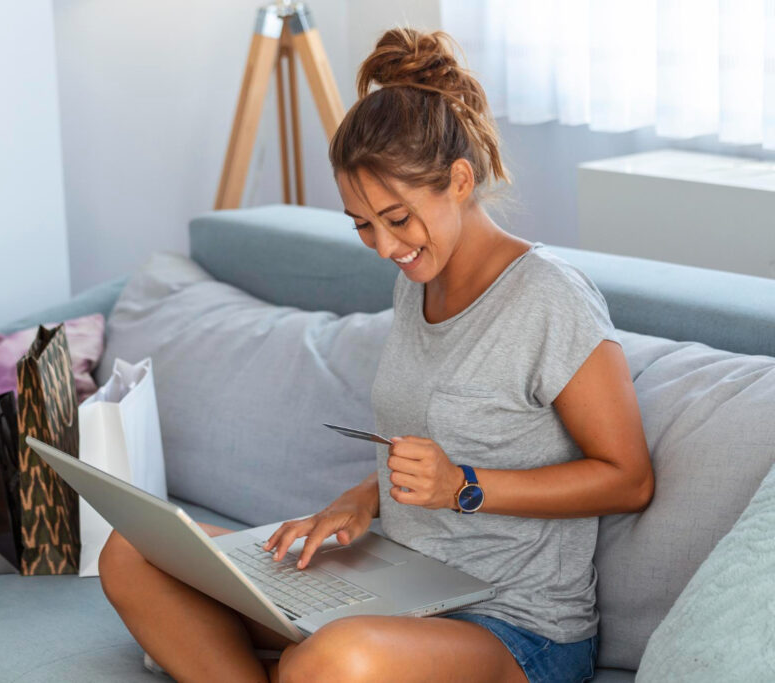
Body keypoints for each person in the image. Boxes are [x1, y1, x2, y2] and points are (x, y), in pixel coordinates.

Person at [98, 27, 654, 683]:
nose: (386, 246)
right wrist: (364, 496)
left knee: (333, 660)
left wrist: (465, 486)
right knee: (134, 549)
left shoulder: (551, 298)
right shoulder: (417, 281)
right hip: (399, 588)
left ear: (459, 180)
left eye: (397, 217)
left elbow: (627, 477)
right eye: (363, 223)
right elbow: (432, 442)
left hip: (516, 627)